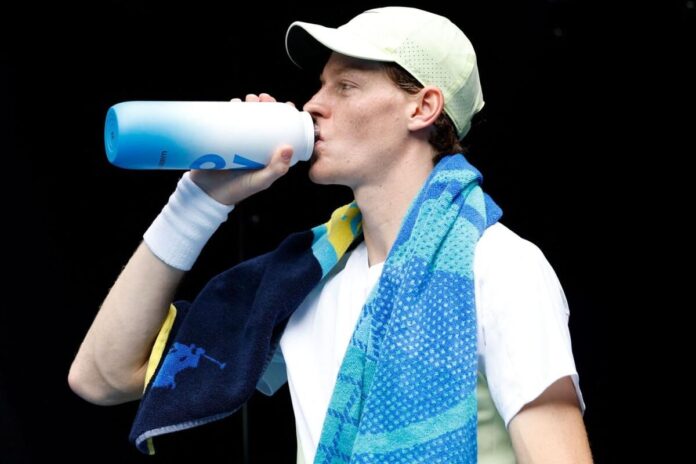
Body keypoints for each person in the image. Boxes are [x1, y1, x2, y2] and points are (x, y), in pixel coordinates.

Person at [69, 6, 593, 463]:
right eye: (320, 85)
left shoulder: (501, 267)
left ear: (422, 108)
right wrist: (198, 202)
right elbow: (102, 377)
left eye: (346, 86)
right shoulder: (305, 282)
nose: (314, 105)